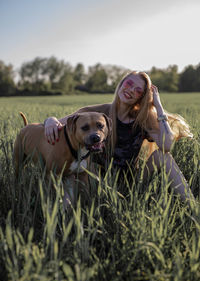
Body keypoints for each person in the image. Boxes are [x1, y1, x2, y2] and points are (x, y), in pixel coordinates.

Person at [44, 71, 194, 202]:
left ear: (141, 97)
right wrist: (50, 120)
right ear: (121, 83)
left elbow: (166, 146)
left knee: (164, 156)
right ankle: (71, 213)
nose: (131, 90)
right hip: (96, 180)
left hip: (132, 183)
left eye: (138, 91)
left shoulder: (142, 119)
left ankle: (193, 208)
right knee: (75, 173)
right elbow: (59, 123)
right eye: (129, 83)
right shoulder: (96, 114)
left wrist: (158, 107)